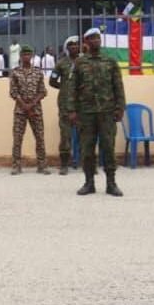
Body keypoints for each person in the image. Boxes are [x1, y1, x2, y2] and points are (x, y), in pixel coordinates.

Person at [65, 28, 125, 197]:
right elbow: (72, 89)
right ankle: (89, 182)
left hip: (107, 112)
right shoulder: (79, 63)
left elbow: (118, 86)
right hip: (86, 113)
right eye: (92, 39)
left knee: (108, 148)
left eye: (97, 38)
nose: (96, 41)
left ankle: (111, 183)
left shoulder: (110, 61)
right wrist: (71, 110)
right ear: (87, 43)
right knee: (87, 149)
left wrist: (120, 108)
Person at [8, 45, 49, 174]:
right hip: (20, 111)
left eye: (28, 54)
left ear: (32, 56)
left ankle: (42, 165)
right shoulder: (15, 72)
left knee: (40, 137)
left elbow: (43, 91)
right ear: (20, 56)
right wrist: (24, 106)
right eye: (24, 54)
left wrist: (31, 105)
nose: (26, 57)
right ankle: (16, 165)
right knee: (17, 138)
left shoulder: (38, 72)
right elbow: (13, 92)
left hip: (35, 110)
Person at [49, 36, 80, 175]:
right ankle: (64, 165)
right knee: (65, 135)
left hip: (82, 105)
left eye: (76, 45)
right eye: (71, 45)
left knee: (85, 135)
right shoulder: (61, 63)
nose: (74, 47)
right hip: (65, 105)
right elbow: (52, 81)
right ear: (67, 48)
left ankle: (86, 164)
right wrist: (65, 87)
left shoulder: (84, 62)